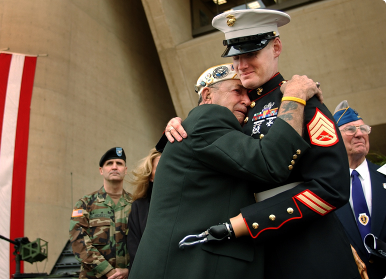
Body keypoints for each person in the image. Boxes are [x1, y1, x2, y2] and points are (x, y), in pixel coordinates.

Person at [167, 9, 360, 279]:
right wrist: (178, 125)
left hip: (306, 249)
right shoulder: (235, 109)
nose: (242, 64)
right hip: (249, 257)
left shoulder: (302, 100)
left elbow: (332, 186)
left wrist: (249, 221)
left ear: (276, 47)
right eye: (236, 56)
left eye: (251, 53)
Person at [129, 63, 322, 279]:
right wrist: (295, 96)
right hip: (189, 267)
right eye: (236, 91)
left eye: (248, 94)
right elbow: (271, 162)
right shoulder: (208, 118)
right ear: (207, 95)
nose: (247, 101)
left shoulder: (200, 126)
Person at [334, 100, 386, 279]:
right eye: (350, 129)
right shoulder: (324, 186)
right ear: (335, 138)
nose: (359, 134)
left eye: (363, 129)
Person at [69, 147, 132, 279]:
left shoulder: (136, 205)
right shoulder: (85, 204)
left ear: (125, 170)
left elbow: (145, 241)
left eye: (119, 163)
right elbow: (78, 241)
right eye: (109, 163)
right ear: (101, 171)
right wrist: (109, 272)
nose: (114, 167)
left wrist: (129, 270)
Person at [127, 148, 161, 272]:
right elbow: (134, 248)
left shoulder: (184, 203)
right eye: (160, 168)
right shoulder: (139, 207)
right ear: (150, 176)